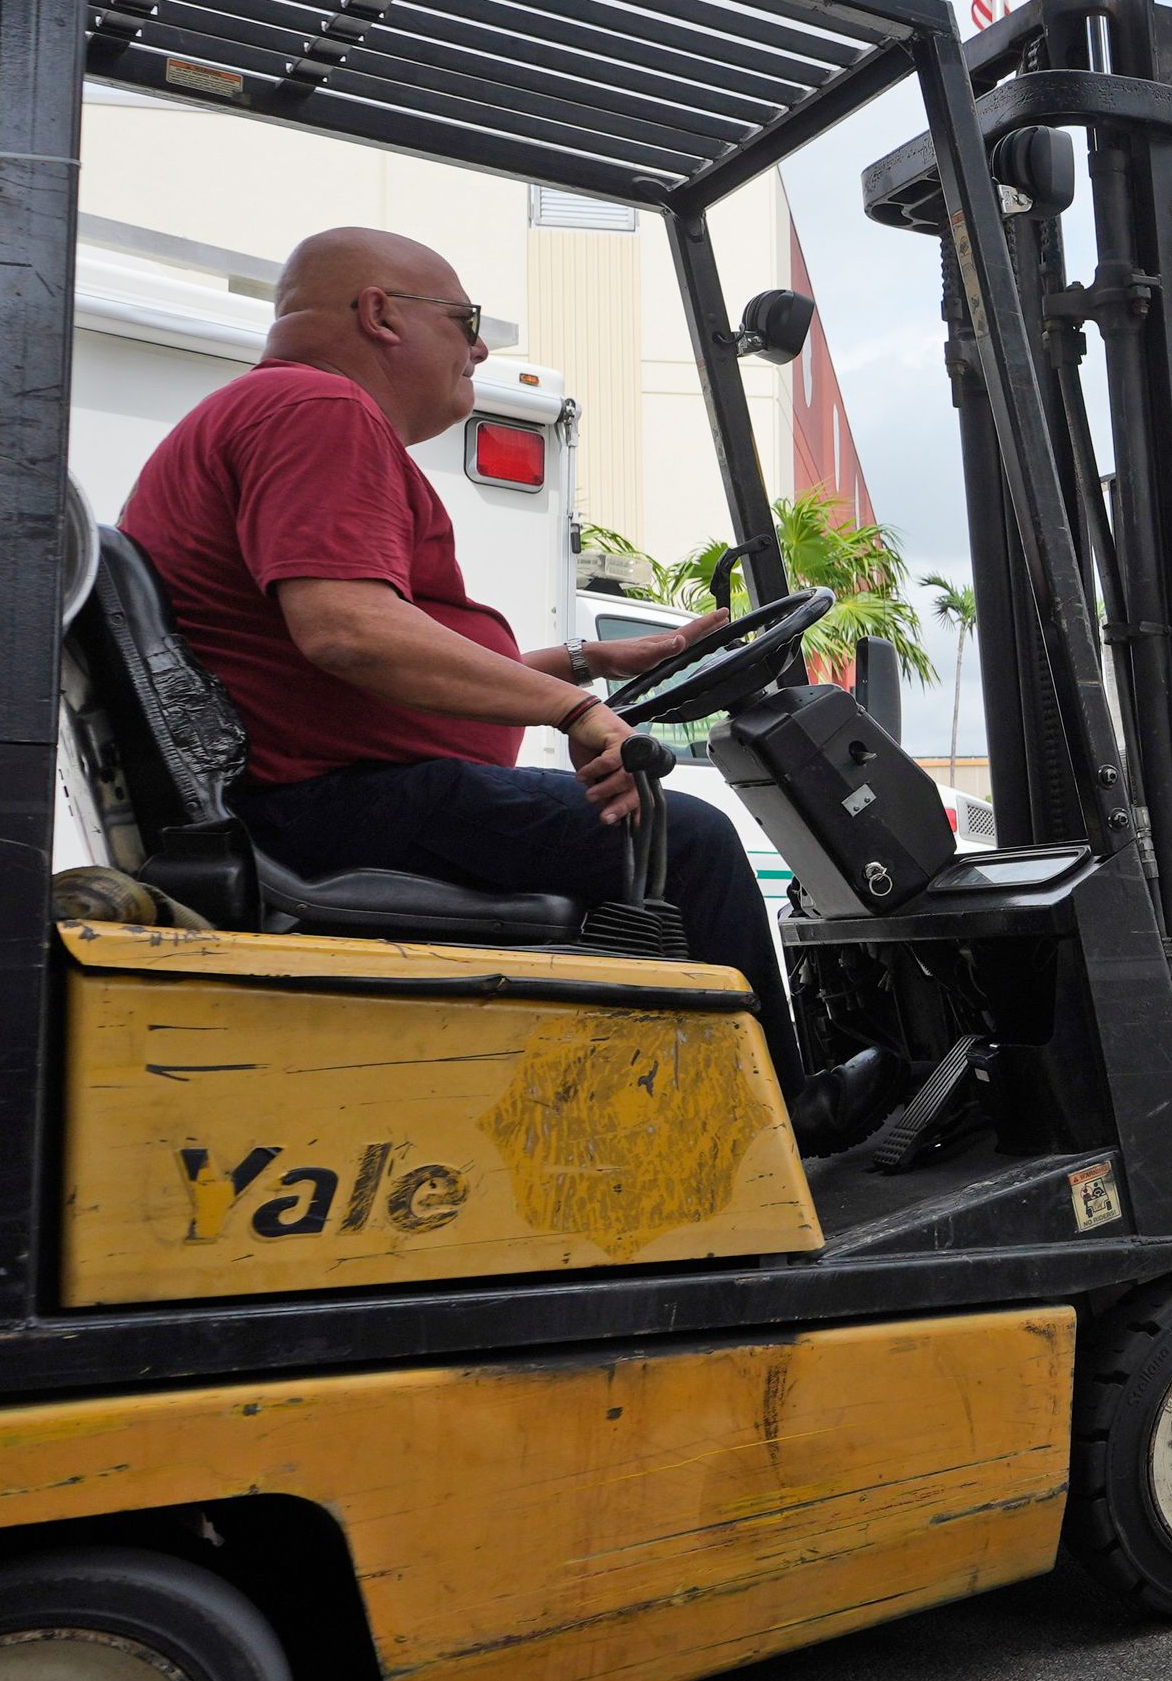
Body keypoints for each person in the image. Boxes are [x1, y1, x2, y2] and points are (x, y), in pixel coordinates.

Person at [118, 226, 892, 1151]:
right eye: (466, 322)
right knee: (689, 838)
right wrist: (572, 710)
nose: (481, 350)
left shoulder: (269, 410)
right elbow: (347, 630)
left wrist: (591, 665)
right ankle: (779, 1128)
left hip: (314, 799)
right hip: (328, 811)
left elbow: (359, 660)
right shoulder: (317, 407)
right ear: (380, 315)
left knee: (642, 835)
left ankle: (660, 1110)